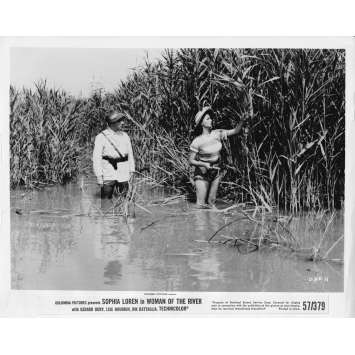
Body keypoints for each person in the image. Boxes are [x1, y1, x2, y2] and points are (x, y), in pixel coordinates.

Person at [189, 106, 245, 209]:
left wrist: (242, 120)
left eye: (211, 118)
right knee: (200, 205)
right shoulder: (197, 141)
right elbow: (191, 160)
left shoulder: (217, 133)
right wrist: (204, 164)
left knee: (212, 203)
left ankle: (213, 224)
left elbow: (235, 131)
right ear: (202, 123)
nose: (211, 120)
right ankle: (198, 224)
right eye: (208, 118)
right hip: (202, 173)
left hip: (216, 172)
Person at [93, 111, 135, 200]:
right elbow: (96, 159)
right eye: (119, 121)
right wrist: (99, 177)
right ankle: (106, 214)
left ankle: (123, 214)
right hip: (108, 174)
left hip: (124, 173)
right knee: (105, 202)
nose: (122, 123)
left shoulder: (125, 136)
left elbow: (130, 155)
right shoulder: (101, 137)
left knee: (125, 200)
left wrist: (132, 170)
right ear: (112, 123)